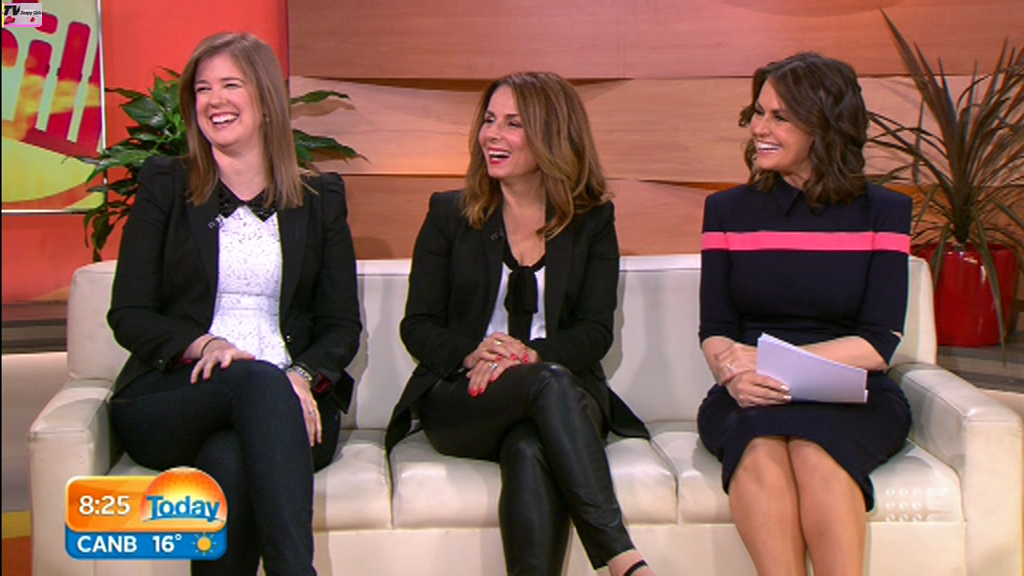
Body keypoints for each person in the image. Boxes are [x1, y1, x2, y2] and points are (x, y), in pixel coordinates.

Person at [107, 32, 361, 576]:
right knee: (257, 382)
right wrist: (203, 344)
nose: (214, 100)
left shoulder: (320, 200)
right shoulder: (165, 185)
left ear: (266, 101)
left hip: (290, 402)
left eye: (230, 85)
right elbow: (128, 312)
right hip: (177, 395)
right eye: (203, 89)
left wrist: (301, 375)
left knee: (230, 457)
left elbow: (341, 325)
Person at [385, 72, 655, 576]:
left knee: (530, 445)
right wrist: (472, 353)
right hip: (465, 396)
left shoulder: (592, 221)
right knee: (547, 384)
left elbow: (595, 332)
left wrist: (531, 356)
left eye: (513, 124)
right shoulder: (449, 213)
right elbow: (417, 325)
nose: (492, 135)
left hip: (558, 394)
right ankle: (623, 558)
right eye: (489, 120)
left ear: (552, 135)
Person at [696, 52, 913, 576]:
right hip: (751, 393)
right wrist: (733, 373)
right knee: (760, 449)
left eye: (780, 117)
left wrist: (773, 362)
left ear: (824, 126)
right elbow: (717, 329)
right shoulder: (725, 211)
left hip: (852, 392)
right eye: (758, 113)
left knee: (818, 453)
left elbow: (878, 343)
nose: (759, 129)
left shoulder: (884, 211)